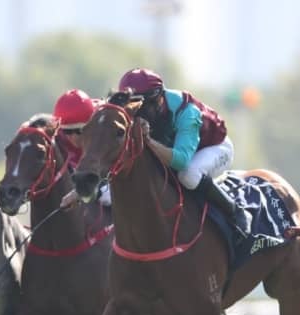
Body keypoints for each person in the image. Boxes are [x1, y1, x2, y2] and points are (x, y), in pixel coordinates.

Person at [118, 67, 249, 235]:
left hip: (214, 147)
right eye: (130, 106)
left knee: (188, 175)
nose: (135, 113)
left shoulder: (187, 112)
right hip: (178, 148)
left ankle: (234, 210)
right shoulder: (147, 108)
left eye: (139, 107)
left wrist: (148, 140)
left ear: (157, 100)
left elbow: (180, 161)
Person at [53, 89, 112, 208]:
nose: (74, 137)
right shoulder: (57, 136)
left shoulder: (105, 128)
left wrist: (82, 193)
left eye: (79, 130)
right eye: (67, 131)